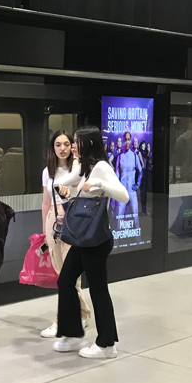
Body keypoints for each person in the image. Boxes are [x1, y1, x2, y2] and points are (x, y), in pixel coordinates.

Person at [53, 126, 129, 360]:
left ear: (89, 143)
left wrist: (100, 187)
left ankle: (107, 345)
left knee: (98, 289)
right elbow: (60, 182)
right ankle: (73, 333)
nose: (72, 145)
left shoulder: (101, 167)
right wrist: (74, 180)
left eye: (76, 142)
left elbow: (123, 195)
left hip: (96, 239)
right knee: (65, 280)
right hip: (83, 237)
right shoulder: (84, 167)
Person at [39, 130, 91, 338]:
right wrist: (44, 229)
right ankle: (84, 313)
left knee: (69, 276)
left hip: (73, 221)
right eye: (58, 144)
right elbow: (45, 201)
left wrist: (78, 162)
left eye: (66, 144)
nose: (62, 149)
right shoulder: (48, 171)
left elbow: (82, 193)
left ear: (72, 147)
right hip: (53, 221)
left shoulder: (78, 169)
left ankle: (61, 320)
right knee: (61, 273)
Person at [115, 130, 142, 226]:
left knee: (136, 218)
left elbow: (140, 171)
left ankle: (139, 240)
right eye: (125, 140)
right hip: (122, 191)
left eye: (128, 139)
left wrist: (138, 184)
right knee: (119, 217)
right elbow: (116, 175)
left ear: (131, 141)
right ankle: (117, 241)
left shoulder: (134, 156)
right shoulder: (119, 157)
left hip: (132, 190)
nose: (127, 142)